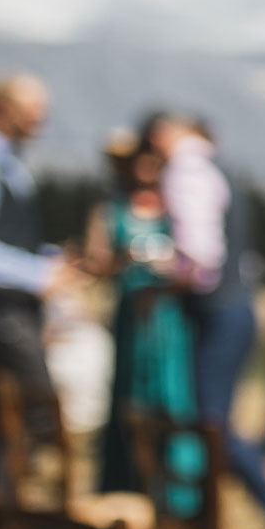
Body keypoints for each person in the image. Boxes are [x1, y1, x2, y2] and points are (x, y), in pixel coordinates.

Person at [144, 111, 265, 529]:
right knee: (214, 422)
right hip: (238, 306)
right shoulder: (221, 169)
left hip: (214, 310)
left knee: (211, 423)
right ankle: (212, 515)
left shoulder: (184, 169)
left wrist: (163, 273)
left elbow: (200, 258)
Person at [0, 73, 85, 488]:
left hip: (12, 306)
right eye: (33, 110)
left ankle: (2, 520)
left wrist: (55, 262)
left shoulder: (10, 161)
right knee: (36, 410)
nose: (42, 119)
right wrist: (39, 274)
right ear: (3, 110)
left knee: (9, 419)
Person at [84, 136, 197, 502]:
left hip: (167, 317)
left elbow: (197, 262)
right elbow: (96, 263)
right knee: (129, 401)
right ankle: (126, 489)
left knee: (173, 399)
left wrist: (171, 271)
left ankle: (177, 494)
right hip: (132, 316)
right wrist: (126, 258)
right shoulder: (110, 209)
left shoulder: (174, 206)